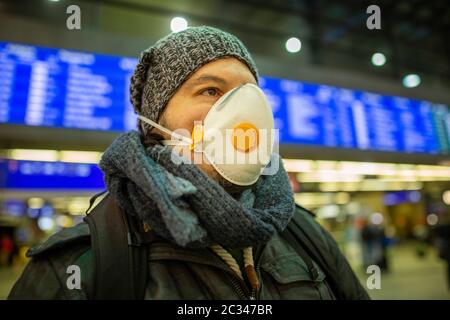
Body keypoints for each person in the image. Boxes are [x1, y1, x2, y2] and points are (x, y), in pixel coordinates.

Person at [8, 26, 369, 300]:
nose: (244, 113)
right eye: (210, 90)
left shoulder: (303, 233)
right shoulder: (78, 267)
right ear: (157, 121)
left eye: (250, 96)